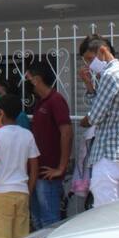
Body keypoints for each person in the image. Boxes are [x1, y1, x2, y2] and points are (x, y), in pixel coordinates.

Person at [78, 34, 119, 208]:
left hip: (107, 152)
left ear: (103, 51)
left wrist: (85, 121)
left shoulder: (110, 75)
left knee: (104, 210)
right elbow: (105, 105)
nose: (89, 65)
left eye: (90, 59)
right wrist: (90, 85)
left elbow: (95, 116)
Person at [0, 94, 40, 238]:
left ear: (1, 112)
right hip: (22, 192)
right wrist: (29, 189)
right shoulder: (27, 134)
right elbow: (34, 165)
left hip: (2, 193)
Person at [26, 62, 72, 229]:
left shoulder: (56, 100)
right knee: (38, 220)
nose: (27, 82)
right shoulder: (41, 102)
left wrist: (61, 167)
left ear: (37, 79)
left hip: (49, 173)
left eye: (29, 78)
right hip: (37, 171)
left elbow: (66, 132)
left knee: (49, 222)